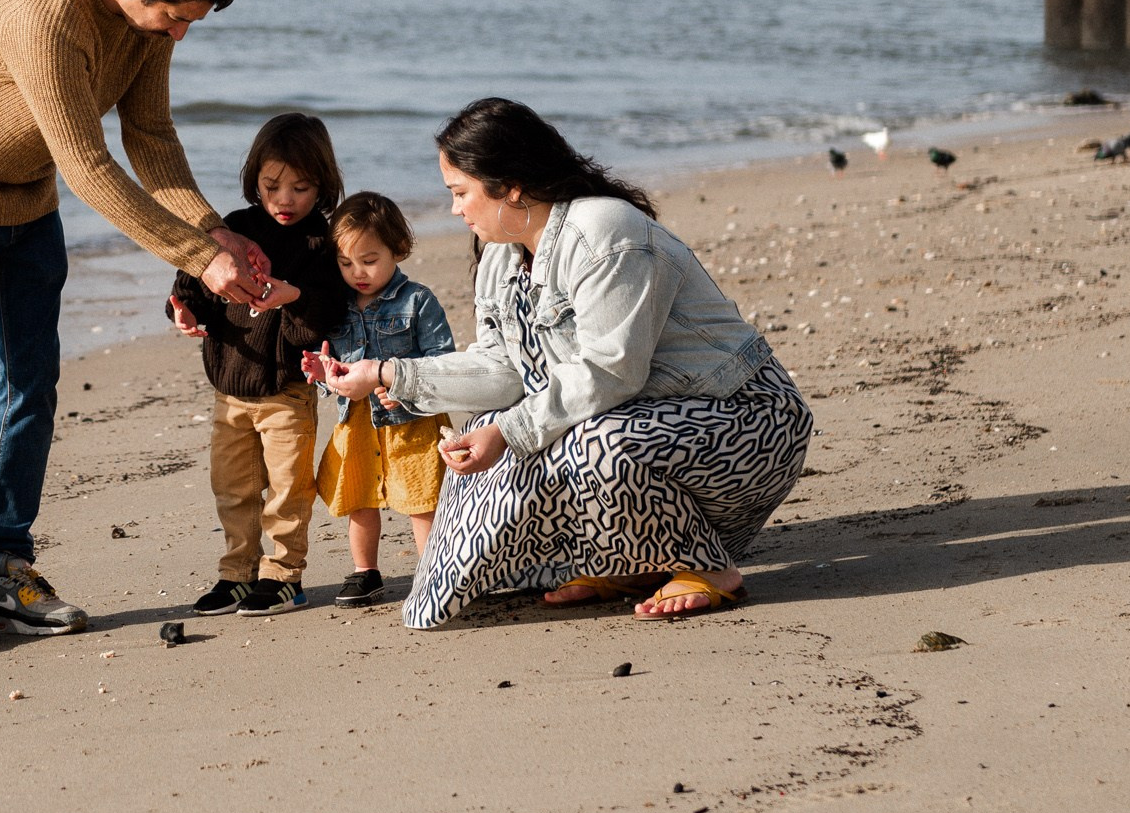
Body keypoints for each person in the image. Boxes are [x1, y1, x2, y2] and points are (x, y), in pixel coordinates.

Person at [0, 0, 274, 657]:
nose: (179, 34)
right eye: (174, 16)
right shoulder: (46, 9)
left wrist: (214, 229)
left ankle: (2, 565)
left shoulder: (148, 23)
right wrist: (196, 258)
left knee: (31, 379)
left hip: (25, 190)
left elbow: (151, 137)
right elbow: (89, 165)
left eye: (191, 22)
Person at [303, 98, 811, 629]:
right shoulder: (502, 250)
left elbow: (611, 370)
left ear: (513, 186)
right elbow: (503, 370)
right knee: (497, 442)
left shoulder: (605, 233)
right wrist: (389, 375)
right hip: (645, 418)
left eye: (460, 193)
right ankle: (636, 562)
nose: (454, 210)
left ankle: (708, 568)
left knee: (587, 444)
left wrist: (510, 430)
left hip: (743, 421)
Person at [167, 112, 348, 616]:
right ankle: (236, 575)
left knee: (288, 490)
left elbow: (326, 316)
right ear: (255, 180)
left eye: (301, 187)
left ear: (323, 186)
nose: (285, 199)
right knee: (233, 488)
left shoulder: (322, 244)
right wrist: (183, 312)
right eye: (272, 185)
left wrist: (292, 297)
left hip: (288, 390)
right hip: (230, 389)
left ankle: (284, 575)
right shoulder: (233, 229)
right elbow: (193, 282)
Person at [308, 192, 456, 609]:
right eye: (346, 263)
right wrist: (323, 376)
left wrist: (403, 390)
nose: (358, 273)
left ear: (398, 249)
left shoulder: (417, 300)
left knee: (423, 501)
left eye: (369, 261)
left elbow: (442, 361)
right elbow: (335, 372)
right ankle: (365, 571)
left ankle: (432, 572)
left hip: (413, 423)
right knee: (359, 498)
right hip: (356, 422)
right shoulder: (336, 308)